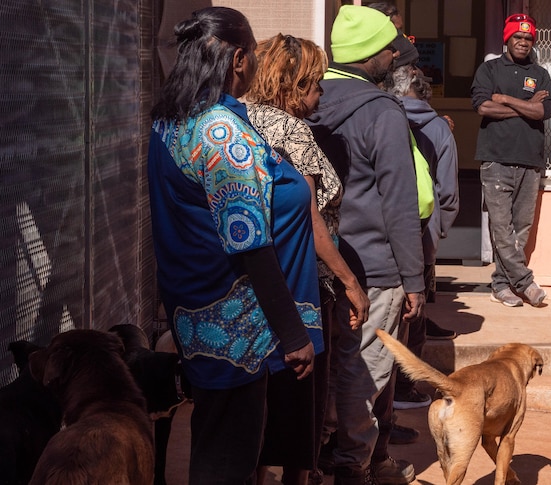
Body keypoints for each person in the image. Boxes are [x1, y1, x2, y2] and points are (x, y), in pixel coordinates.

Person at [146, 7, 318, 484]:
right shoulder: (222, 133)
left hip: (191, 310)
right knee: (230, 457)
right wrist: (293, 334)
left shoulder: (169, 121)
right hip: (234, 326)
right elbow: (249, 244)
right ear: (239, 58)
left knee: (213, 433)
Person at [245, 34, 372, 485]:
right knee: (302, 401)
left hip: (254, 275)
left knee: (262, 394)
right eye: (315, 85)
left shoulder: (238, 119)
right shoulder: (292, 130)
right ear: (292, 85)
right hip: (302, 278)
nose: (320, 95)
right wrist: (350, 282)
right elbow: (311, 219)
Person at [307, 5, 425, 485]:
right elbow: (399, 202)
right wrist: (414, 280)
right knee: (367, 367)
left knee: (332, 363)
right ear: (371, 55)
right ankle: (351, 464)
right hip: (376, 266)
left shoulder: (308, 101)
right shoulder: (381, 111)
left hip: (320, 260)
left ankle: (336, 453)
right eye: (390, 49)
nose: (395, 55)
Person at [380, 63, 460, 417]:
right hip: (420, 235)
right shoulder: (439, 129)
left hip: (380, 233)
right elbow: (448, 192)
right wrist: (439, 228)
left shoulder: (380, 118)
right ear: (424, 91)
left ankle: (386, 389)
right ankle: (405, 385)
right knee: (415, 310)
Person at [471, 13, 551, 308]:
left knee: (521, 227)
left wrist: (507, 100)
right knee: (501, 226)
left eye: (528, 38)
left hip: (530, 161)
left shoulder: (541, 73)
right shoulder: (489, 69)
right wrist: (527, 106)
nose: (523, 42)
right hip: (496, 160)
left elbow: (543, 112)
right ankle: (524, 282)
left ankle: (501, 285)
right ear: (507, 39)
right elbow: (483, 107)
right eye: (517, 37)